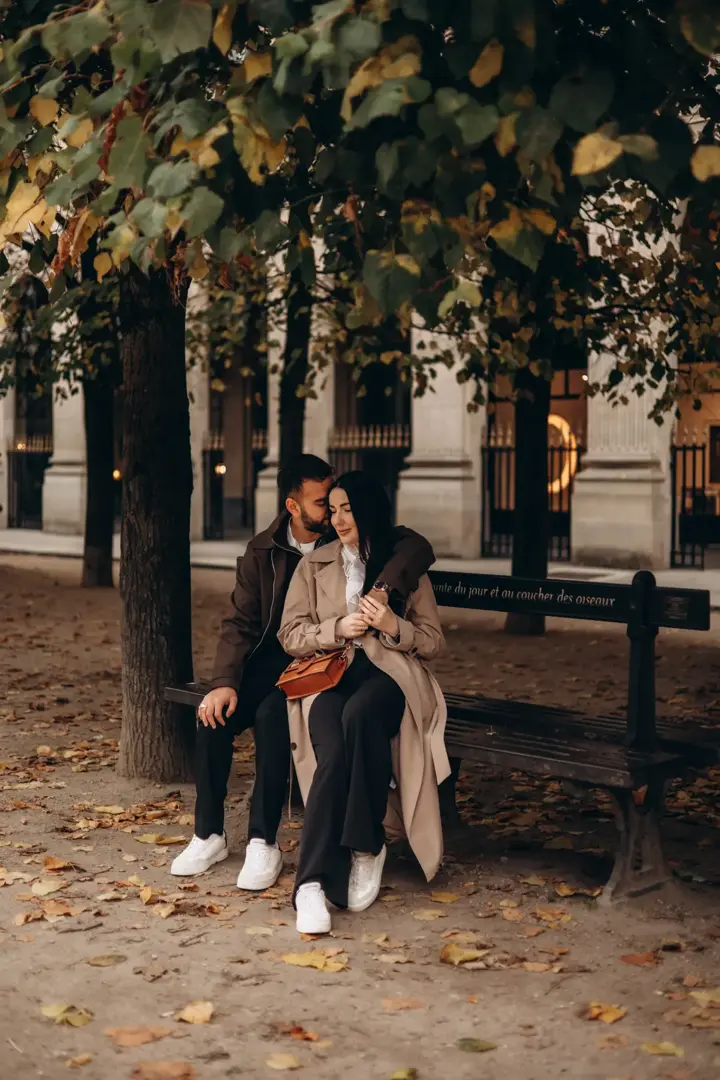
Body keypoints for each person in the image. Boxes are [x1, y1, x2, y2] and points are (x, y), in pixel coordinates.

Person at [171, 455, 435, 890]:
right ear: (294, 508)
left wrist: (384, 590)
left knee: (276, 716)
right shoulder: (263, 549)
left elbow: (415, 547)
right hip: (273, 660)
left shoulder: (356, 539)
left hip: (323, 664)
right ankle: (208, 834)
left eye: (338, 502)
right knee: (212, 716)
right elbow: (240, 622)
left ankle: (263, 840)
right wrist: (223, 682)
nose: (332, 513)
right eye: (323, 505)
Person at [278, 472, 450, 935]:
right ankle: (310, 884)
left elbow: (433, 642)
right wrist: (336, 628)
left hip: (390, 674)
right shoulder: (314, 564)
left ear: (368, 508)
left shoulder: (403, 565)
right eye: (332, 510)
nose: (337, 519)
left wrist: (394, 624)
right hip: (330, 673)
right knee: (331, 749)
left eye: (346, 509)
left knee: (361, 715)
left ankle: (365, 845)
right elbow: (290, 635)